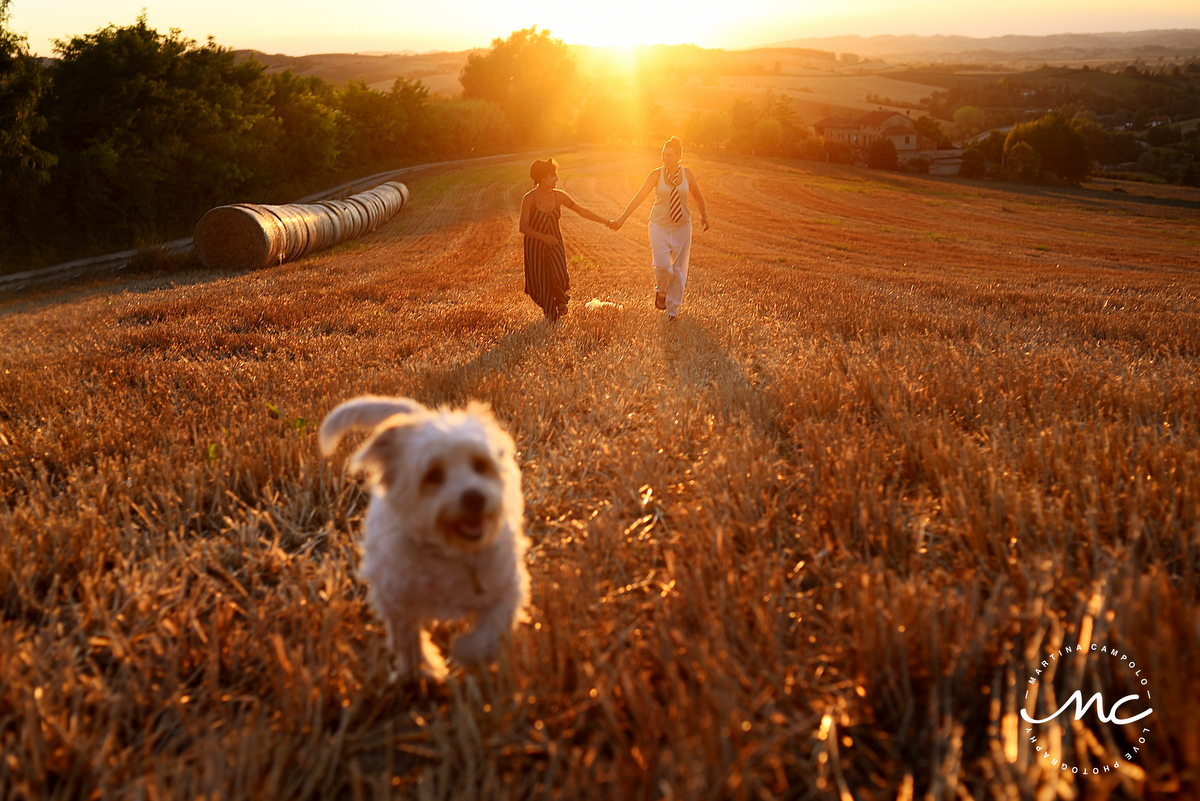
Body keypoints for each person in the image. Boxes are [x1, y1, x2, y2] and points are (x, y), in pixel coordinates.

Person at [611, 137, 709, 321]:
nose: (665, 158)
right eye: (663, 154)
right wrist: (622, 218)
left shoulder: (687, 174)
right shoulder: (656, 175)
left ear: (679, 156)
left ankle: (672, 311)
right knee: (664, 266)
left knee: (679, 270)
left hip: (682, 227)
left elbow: (697, 196)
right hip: (659, 225)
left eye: (670, 155)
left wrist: (704, 216)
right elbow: (639, 197)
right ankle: (661, 291)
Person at [519, 158, 611, 321]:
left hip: (555, 243)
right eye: (553, 175)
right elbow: (523, 227)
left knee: (560, 275)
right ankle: (551, 315)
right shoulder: (529, 198)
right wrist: (543, 237)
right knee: (540, 283)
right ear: (542, 178)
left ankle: (561, 300)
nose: (557, 179)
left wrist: (606, 222)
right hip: (535, 246)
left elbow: (581, 211)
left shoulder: (559, 196)